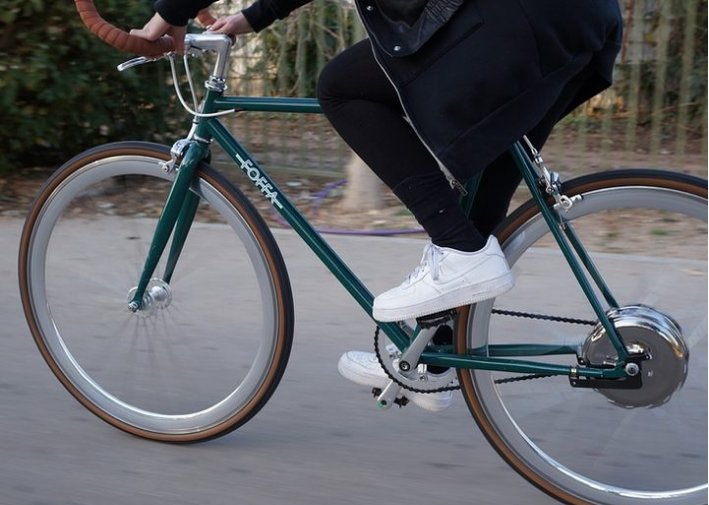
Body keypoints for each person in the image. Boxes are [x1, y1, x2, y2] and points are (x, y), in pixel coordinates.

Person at [132, 0, 623, 411]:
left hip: (518, 17)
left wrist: (167, 14)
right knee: (488, 158)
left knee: (342, 87)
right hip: (584, 17)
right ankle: (434, 353)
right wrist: (253, 17)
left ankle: (458, 252)